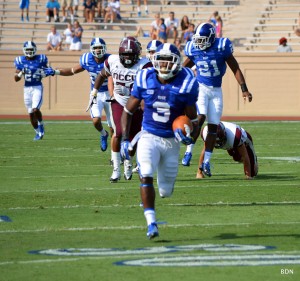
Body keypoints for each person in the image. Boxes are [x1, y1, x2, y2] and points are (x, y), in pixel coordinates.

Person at [120, 43, 199, 239]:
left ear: (177, 63)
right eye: (161, 60)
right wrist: (123, 138)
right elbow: (128, 110)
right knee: (145, 173)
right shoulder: (145, 77)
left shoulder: (187, 82)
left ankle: (156, 205)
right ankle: (151, 223)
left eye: (168, 60)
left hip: (171, 142)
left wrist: (187, 134)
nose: (163, 64)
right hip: (149, 136)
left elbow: (195, 120)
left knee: (165, 191)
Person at [182, 22, 253, 176]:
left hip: (216, 91)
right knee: (199, 118)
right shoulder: (192, 47)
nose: (199, 43)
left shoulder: (222, 47)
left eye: (203, 39)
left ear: (212, 38)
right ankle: (188, 152)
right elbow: (183, 68)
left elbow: (235, 68)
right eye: (198, 39)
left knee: (213, 127)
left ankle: (206, 162)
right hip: (201, 87)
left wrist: (244, 89)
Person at [90, 37, 152, 183]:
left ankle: (128, 162)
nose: (128, 58)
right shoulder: (112, 61)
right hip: (119, 100)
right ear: (120, 54)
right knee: (118, 133)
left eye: (131, 55)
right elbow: (102, 75)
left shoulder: (145, 65)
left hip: (135, 102)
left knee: (134, 137)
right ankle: (116, 169)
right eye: (125, 55)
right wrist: (94, 91)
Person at [51, 38, 113, 152]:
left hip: (110, 93)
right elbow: (72, 70)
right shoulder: (86, 59)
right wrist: (56, 71)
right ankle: (103, 134)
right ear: (91, 49)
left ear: (104, 48)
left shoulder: (111, 59)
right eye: (96, 48)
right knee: (96, 121)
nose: (98, 50)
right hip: (96, 94)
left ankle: (115, 157)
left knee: (113, 127)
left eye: (100, 48)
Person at [14, 41, 55, 141]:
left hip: (37, 86)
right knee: (31, 113)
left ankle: (41, 125)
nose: (29, 51)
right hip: (27, 88)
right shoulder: (20, 61)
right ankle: (38, 132)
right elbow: (16, 79)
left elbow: (47, 70)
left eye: (31, 49)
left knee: (35, 109)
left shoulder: (41, 59)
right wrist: (20, 73)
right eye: (27, 50)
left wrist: (50, 71)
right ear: (24, 51)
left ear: (35, 50)